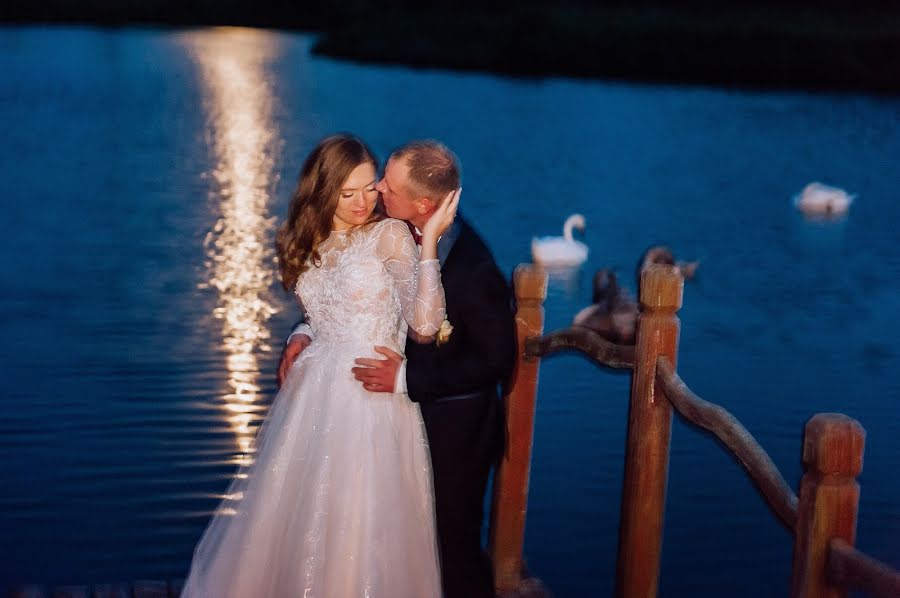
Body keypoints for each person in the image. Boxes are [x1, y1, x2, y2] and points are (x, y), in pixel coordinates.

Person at [182, 134, 460, 597]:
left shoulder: (388, 235)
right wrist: (301, 333)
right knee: (295, 523)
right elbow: (323, 312)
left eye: (370, 188)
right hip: (312, 399)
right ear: (321, 190)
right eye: (347, 192)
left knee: (361, 524)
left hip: (369, 401)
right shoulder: (306, 239)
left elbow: (425, 326)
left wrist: (428, 239)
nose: (362, 202)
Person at [281, 140, 517, 598]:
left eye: (384, 185)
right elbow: (348, 289)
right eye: (375, 181)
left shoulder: (472, 267)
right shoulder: (381, 223)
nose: (377, 191)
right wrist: (304, 333)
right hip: (359, 411)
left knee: (449, 547)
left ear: (424, 205)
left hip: (454, 426)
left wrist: (405, 378)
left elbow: (495, 359)